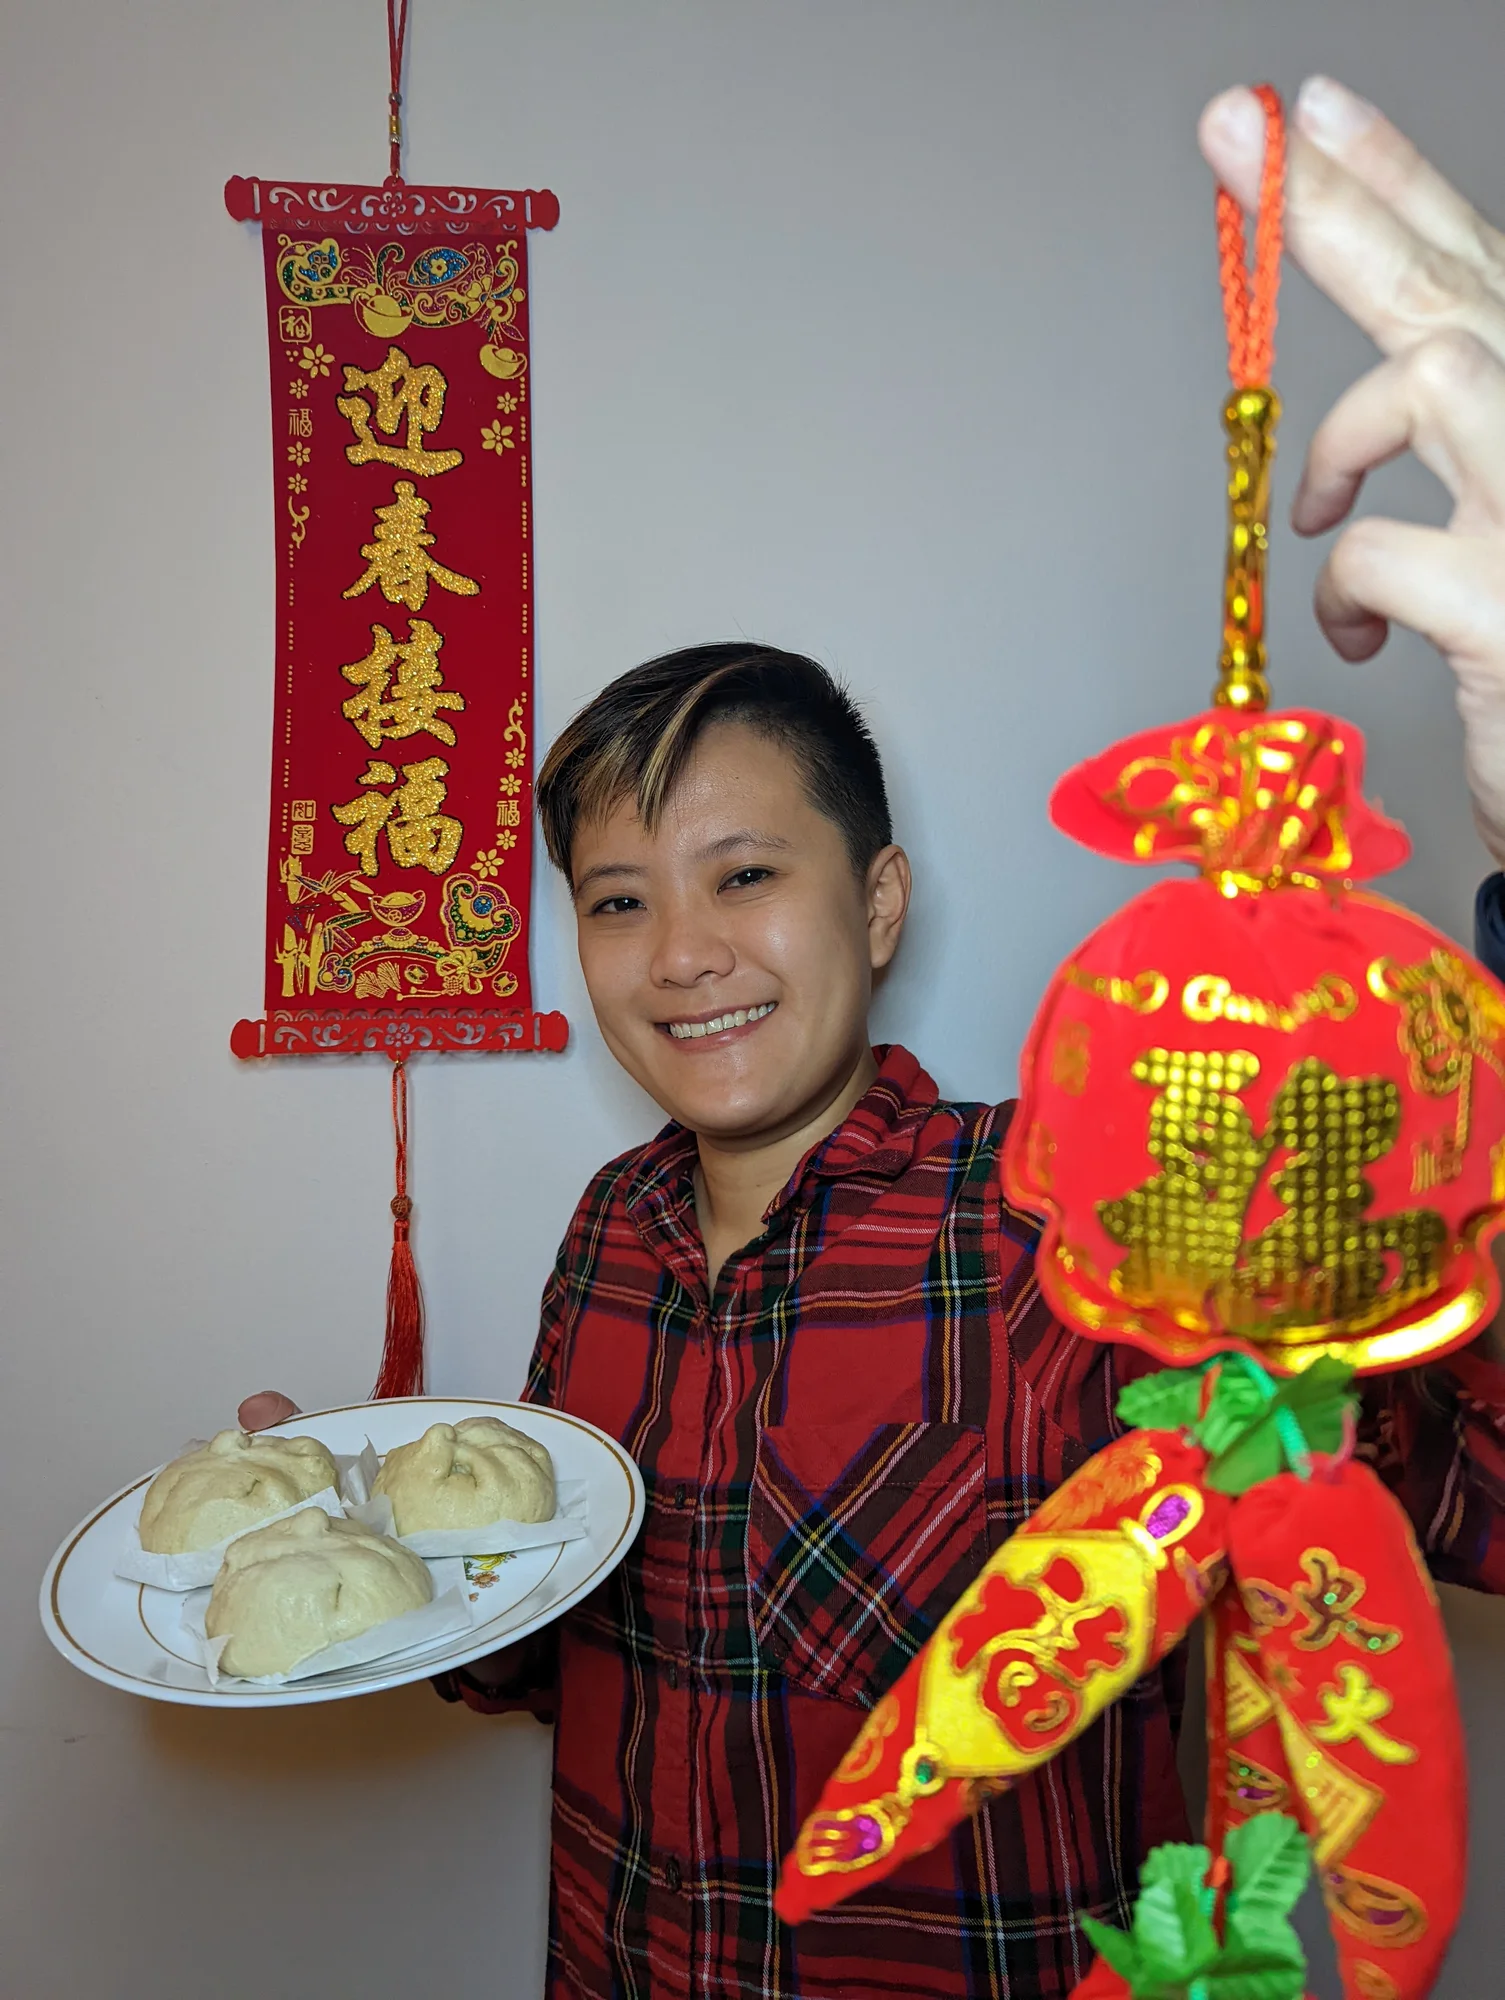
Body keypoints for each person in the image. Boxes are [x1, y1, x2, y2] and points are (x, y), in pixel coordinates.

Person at [242, 78, 1505, 2000]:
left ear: (880, 904)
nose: (681, 955)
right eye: (616, 898)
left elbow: (1471, 1480)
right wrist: (357, 1530)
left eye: (743, 873)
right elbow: (545, 1646)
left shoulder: (1073, 1217)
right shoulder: (609, 1233)